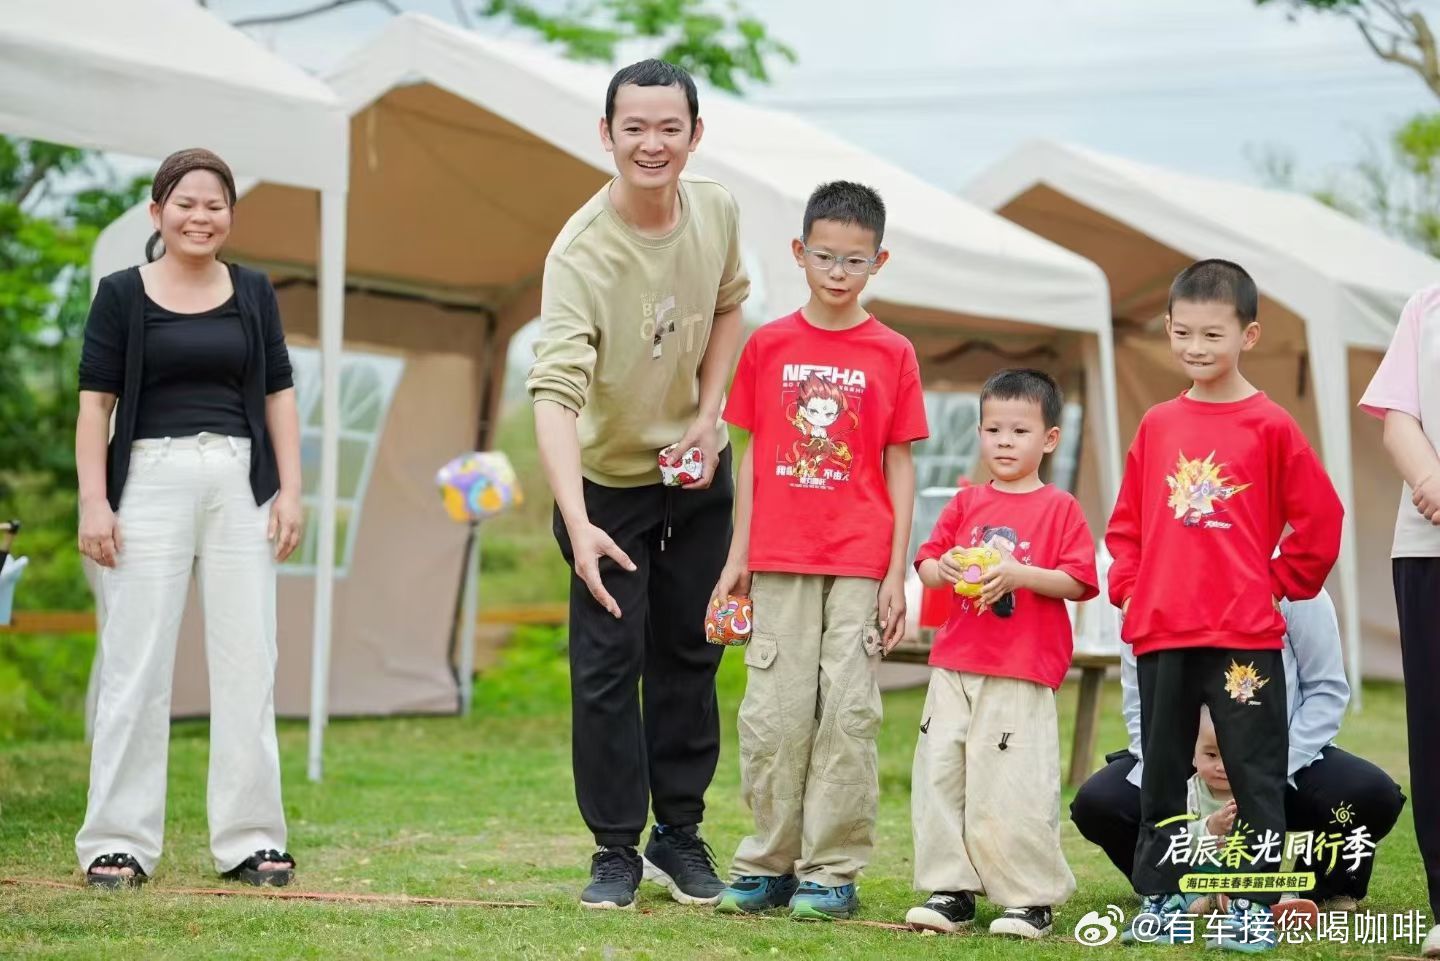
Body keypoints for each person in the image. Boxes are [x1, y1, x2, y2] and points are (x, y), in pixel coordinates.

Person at [525, 59, 749, 910]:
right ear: (607, 135)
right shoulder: (581, 252)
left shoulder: (718, 208)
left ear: (695, 133)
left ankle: (679, 836)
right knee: (609, 668)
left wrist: (710, 409)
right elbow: (553, 394)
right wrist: (577, 525)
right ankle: (615, 847)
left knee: (691, 654)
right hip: (606, 483)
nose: (652, 143)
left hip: (693, 473)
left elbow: (730, 303)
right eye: (634, 128)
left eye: (669, 127)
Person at [74, 148, 303, 888]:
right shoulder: (120, 294)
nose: (200, 217)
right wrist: (94, 501)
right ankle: (118, 840)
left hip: (241, 480)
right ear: (156, 212)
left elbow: (278, 396)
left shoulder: (254, 291)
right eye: (185, 203)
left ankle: (250, 838)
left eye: (215, 205)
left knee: (249, 658)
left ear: (230, 217)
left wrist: (291, 490)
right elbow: (94, 407)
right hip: (148, 478)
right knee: (135, 661)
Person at [1104, 259, 1343, 951]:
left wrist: (1280, 578)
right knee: (1162, 773)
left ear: (1250, 334)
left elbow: (1321, 518)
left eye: (1213, 333)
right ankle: (1165, 899)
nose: (1196, 347)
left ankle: (1248, 903)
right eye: (1183, 333)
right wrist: (1130, 583)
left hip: (1245, 639)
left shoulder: (1270, 426)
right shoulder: (1157, 424)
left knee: (1254, 774)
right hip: (1162, 636)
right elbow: (1126, 525)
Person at [709, 181, 928, 921]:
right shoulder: (768, 344)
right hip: (777, 555)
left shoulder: (893, 351)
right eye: (826, 256)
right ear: (799, 253)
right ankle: (768, 861)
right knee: (772, 711)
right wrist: (738, 553)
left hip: (863, 559)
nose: (839, 271)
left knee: (847, 713)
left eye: (855, 260)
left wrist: (898, 571)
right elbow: (751, 453)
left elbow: (901, 462)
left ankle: (832, 869)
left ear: (879, 262)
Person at [905, 369, 1098, 939]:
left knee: (1013, 780)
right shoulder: (965, 501)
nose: (1005, 441)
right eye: (993, 429)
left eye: (1019, 430)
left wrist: (1018, 574)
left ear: (1050, 439)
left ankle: (1028, 896)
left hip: (1021, 668)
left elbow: (1080, 582)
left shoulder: (1060, 508)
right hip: (955, 663)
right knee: (941, 772)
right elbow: (928, 562)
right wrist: (947, 569)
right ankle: (951, 890)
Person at [1070, 589, 1406, 912]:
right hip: (1190, 762)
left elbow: (1326, 691)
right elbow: (1138, 698)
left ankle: (1311, 890)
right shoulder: (1148, 584)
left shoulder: (1294, 585)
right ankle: (1177, 886)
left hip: (1281, 760)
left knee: (1369, 796)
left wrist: (1262, 771)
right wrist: (1179, 763)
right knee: (1101, 802)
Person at [1359, 285, 1440, 958]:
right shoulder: (1427, 304)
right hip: (1429, 541)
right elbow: (1397, 417)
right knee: (1436, 727)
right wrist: (1432, 481)